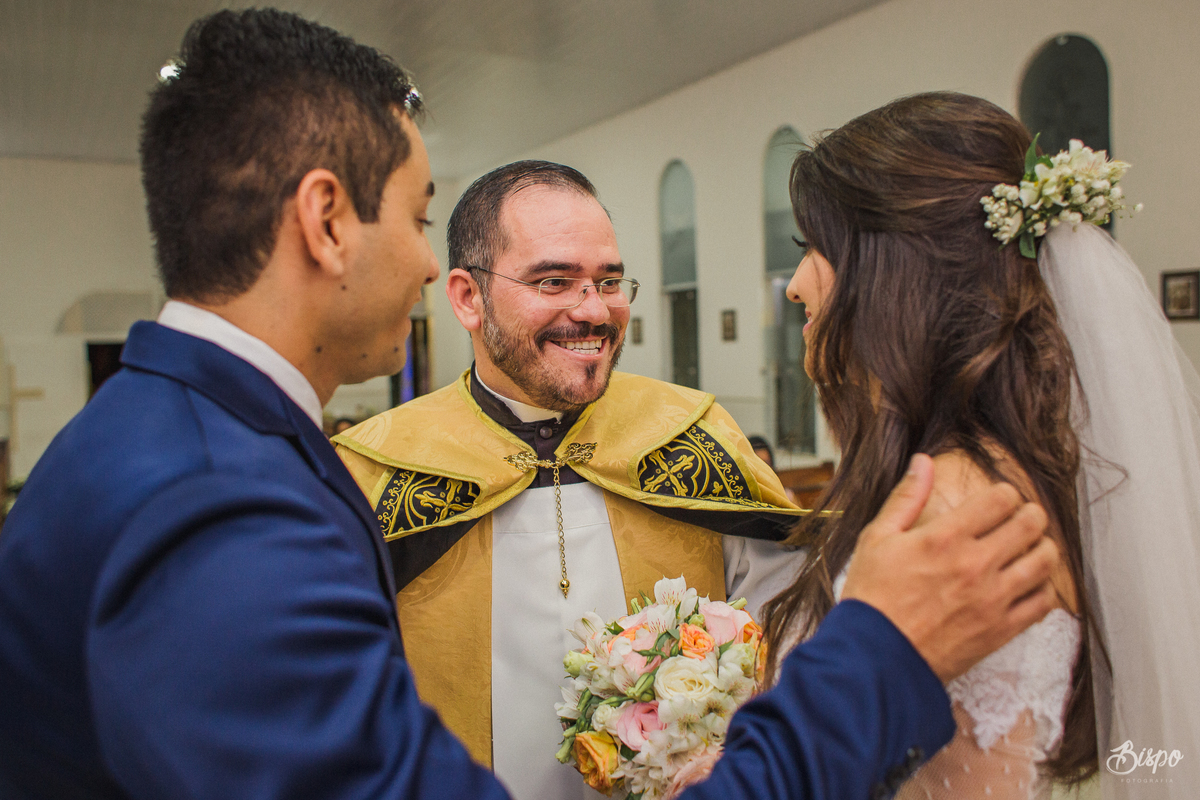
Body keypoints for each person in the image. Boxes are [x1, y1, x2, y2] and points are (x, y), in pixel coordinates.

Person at [0, 10, 1060, 799]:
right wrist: (879, 656)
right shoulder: (237, 496)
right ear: (328, 222)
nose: (424, 262)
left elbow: (786, 610)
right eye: (419, 219)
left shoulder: (197, 448)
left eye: (610, 280)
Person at [765, 91, 1200, 799]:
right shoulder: (1004, 468)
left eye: (814, 248)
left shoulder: (952, 506)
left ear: (894, 273)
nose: (794, 286)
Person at [334, 160, 814, 798]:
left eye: (609, 281)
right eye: (554, 281)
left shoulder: (691, 435)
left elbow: (787, 627)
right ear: (468, 298)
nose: (593, 311)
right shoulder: (376, 470)